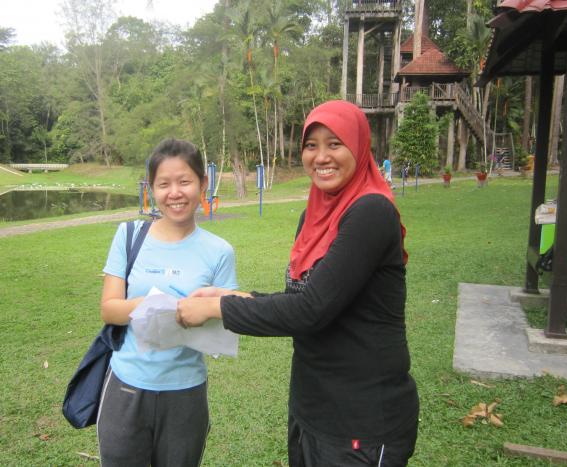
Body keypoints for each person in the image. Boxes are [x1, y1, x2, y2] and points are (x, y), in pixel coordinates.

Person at [176, 100, 419, 466]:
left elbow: (311, 310)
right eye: (311, 145)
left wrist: (216, 307)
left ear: (358, 147)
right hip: (312, 409)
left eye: (335, 144)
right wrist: (229, 294)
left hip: (362, 419)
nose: (321, 157)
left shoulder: (371, 212)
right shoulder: (313, 216)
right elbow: (301, 298)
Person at [97, 138, 238, 466]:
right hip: (126, 387)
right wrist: (152, 306)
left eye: (185, 181)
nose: (175, 193)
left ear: (203, 184)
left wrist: (202, 311)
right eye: (164, 184)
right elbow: (109, 309)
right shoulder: (129, 235)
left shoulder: (219, 251)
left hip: (185, 392)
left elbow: (228, 315)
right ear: (152, 189)